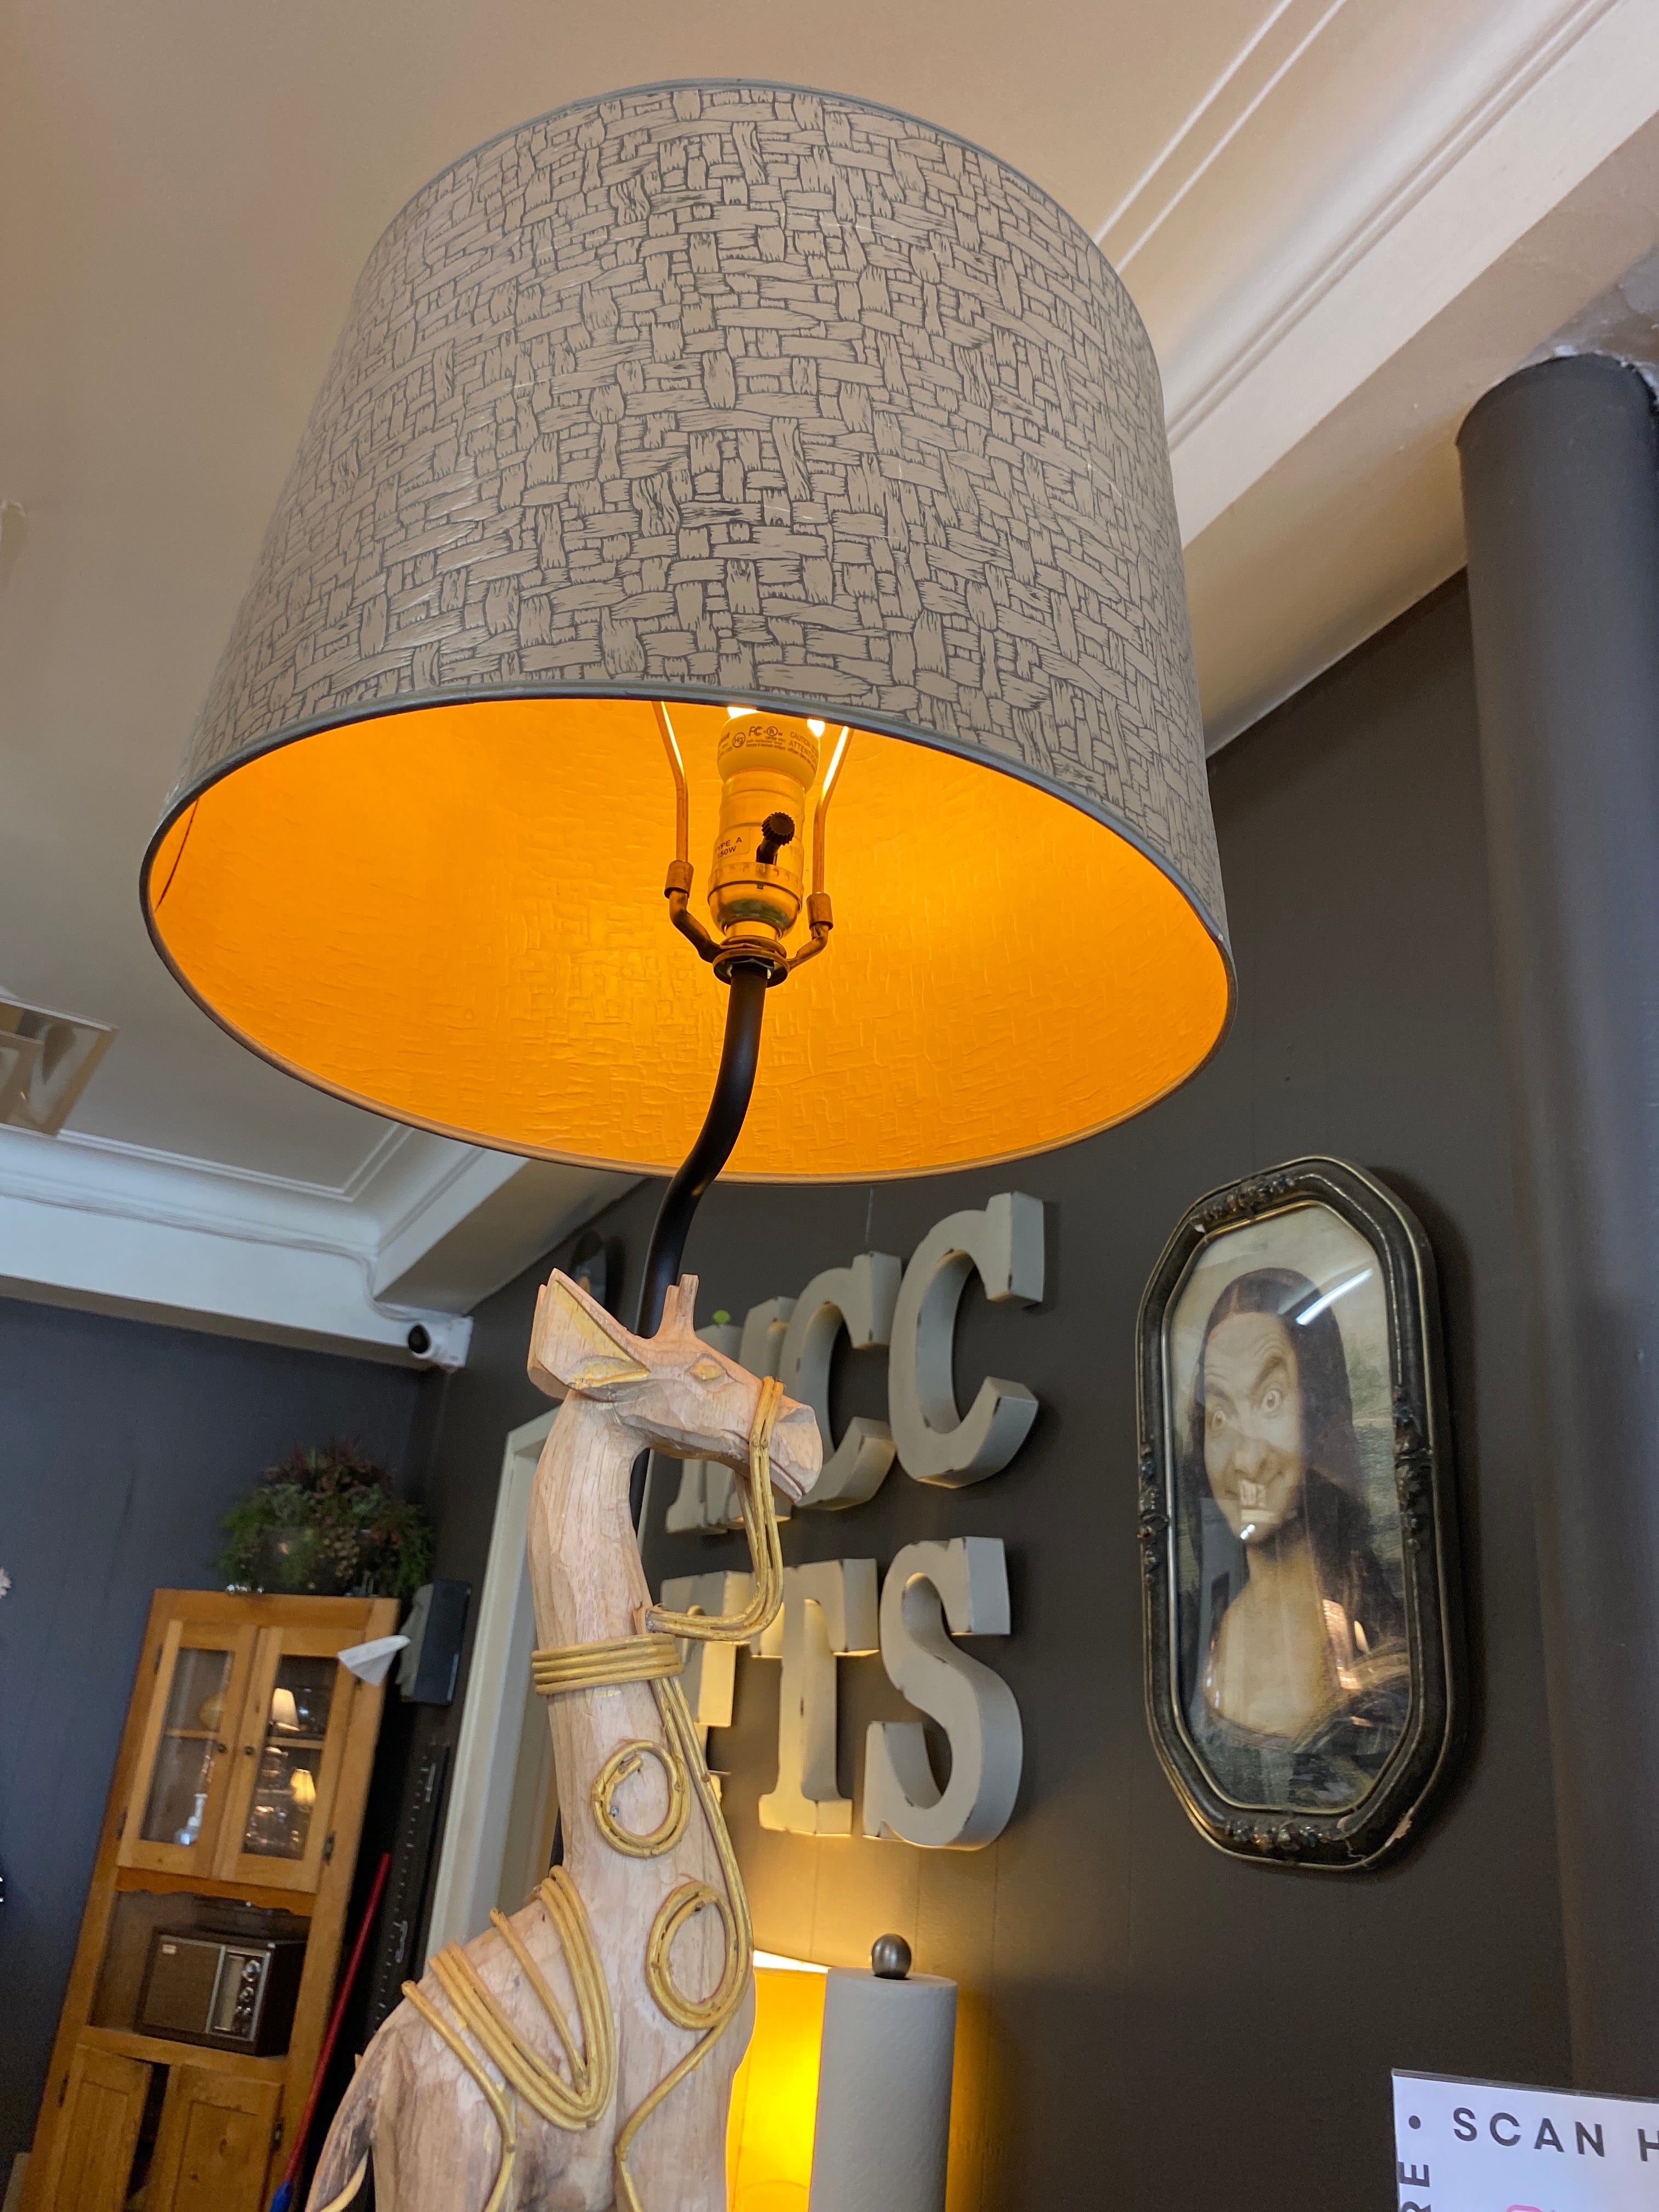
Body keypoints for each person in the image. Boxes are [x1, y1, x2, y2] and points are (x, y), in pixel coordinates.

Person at [1180, 1265, 1408, 1812]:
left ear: (1322, 1417)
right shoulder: (1195, 1634)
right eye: (1220, 1416)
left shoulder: (1384, 1652)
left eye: (1271, 1401)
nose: (1245, 1458)